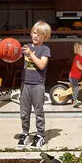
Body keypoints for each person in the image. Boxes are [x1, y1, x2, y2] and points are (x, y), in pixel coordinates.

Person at [18, 21, 51, 149]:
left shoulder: (45, 49)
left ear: (45, 37)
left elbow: (42, 65)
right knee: (24, 112)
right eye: (34, 33)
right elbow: (14, 56)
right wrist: (9, 50)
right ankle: (25, 133)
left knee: (38, 111)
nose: (36, 36)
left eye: (40, 35)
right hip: (25, 84)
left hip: (37, 85)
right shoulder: (26, 47)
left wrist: (31, 54)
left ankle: (40, 134)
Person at [68, 40, 82, 107]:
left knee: (76, 87)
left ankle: (74, 99)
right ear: (77, 51)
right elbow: (78, 65)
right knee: (76, 87)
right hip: (73, 76)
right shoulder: (77, 57)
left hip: (76, 77)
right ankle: (74, 101)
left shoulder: (81, 58)